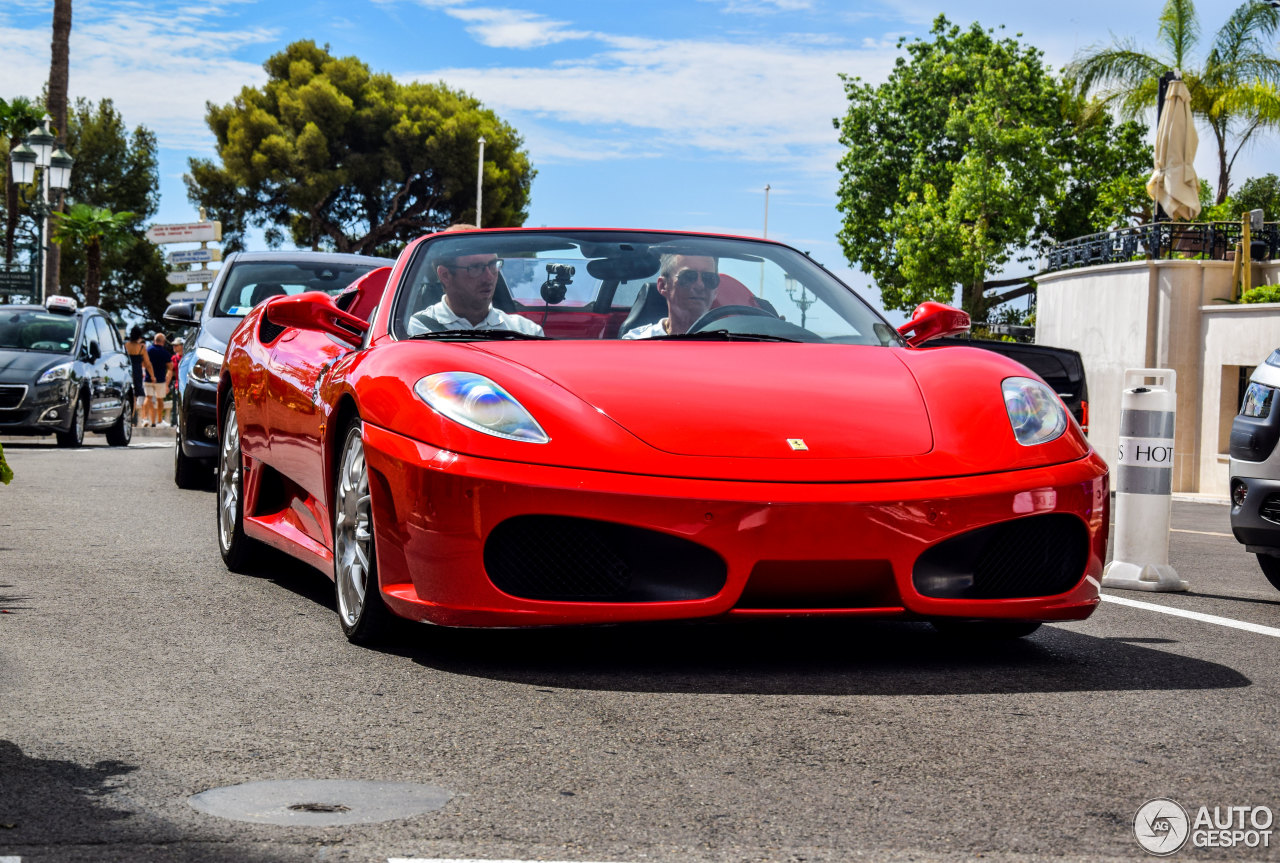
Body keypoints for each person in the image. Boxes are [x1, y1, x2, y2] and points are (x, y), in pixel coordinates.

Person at [407, 224, 544, 336]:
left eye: (492, 265)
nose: (489, 276)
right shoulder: (417, 330)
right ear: (445, 275)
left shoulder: (526, 332)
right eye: (475, 267)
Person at [621, 253, 720, 339]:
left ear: (716, 291)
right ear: (663, 285)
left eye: (709, 278)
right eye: (688, 277)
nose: (700, 285)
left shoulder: (731, 341)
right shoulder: (636, 342)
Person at [124, 326, 155, 424]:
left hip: (126, 371)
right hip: (136, 373)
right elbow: (148, 363)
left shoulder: (125, 346)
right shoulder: (141, 347)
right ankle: (131, 417)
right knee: (135, 396)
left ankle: (128, 420)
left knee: (127, 396)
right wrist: (152, 376)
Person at [143, 332, 173, 428]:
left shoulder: (148, 350)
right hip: (160, 380)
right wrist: (167, 381)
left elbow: (143, 364)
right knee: (160, 400)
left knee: (148, 398)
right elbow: (170, 368)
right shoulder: (165, 353)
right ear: (163, 342)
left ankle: (144, 419)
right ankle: (159, 421)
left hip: (148, 379)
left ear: (154, 340)